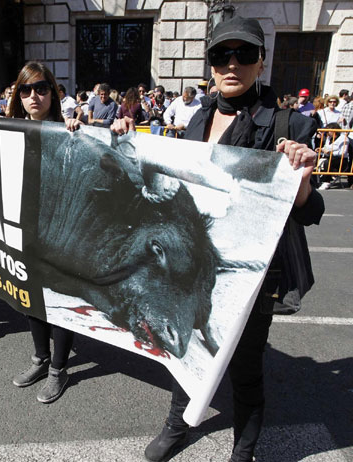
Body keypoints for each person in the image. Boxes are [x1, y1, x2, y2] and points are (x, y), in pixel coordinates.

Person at [112, 16, 323, 462]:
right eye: (221, 55)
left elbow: (312, 210)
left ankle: (243, 451)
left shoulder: (288, 125)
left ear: (261, 62)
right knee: (183, 346)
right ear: (209, 65)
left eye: (244, 54)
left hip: (252, 273)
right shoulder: (197, 118)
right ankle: (177, 423)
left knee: (245, 366)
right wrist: (125, 143)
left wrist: (301, 182)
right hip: (192, 263)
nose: (232, 64)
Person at [0, 61, 81, 403]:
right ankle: (40, 358)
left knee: (60, 302)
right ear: (17, 95)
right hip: (23, 230)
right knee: (31, 298)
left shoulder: (70, 129)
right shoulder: (8, 128)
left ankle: (58, 369)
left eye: (41, 88)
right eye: (25, 89)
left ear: (53, 93)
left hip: (62, 233)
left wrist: (78, 129)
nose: (33, 95)